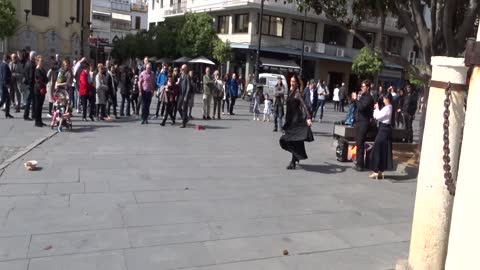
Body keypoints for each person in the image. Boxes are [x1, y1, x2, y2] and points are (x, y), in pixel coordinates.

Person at [279, 74, 313, 170]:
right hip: (289, 120)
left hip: (295, 120)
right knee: (287, 141)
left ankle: (293, 161)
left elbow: (304, 105)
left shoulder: (297, 93)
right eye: (291, 81)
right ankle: (296, 156)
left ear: (297, 83)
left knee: (291, 141)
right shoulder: (290, 92)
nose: (292, 83)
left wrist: (309, 117)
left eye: (294, 81)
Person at [369, 93, 394, 179]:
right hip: (384, 128)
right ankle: (380, 170)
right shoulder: (389, 108)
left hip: (383, 129)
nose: (383, 100)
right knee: (383, 150)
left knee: (377, 149)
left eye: (384, 99)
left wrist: (376, 108)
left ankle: (376, 170)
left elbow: (377, 117)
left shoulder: (388, 108)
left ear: (387, 99)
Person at [355, 80, 374, 171]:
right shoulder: (363, 96)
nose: (361, 88)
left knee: (360, 143)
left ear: (368, 87)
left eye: (363, 86)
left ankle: (360, 164)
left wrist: (356, 99)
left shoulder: (369, 98)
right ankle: (358, 161)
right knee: (358, 142)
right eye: (361, 86)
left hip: (364, 122)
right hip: (359, 121)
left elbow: (361, 107)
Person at [33, 55, 48, 127]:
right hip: (38, 89)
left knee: (40, 105)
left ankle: (40, 120)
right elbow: (40, 79)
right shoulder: (37, 69)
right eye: (41, 61)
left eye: (43, 61)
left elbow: (46, 79)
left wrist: (45, 81)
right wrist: (44, 81)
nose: (42, 62)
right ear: (37, 62)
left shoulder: (43, 69)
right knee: (37, 105)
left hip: (43, 89)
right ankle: (37, 121)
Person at [177, 64, 193, 128]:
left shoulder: (187, 76)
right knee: (178, 107)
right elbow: (180, 85)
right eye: (181, 68)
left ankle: (183, 123)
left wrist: (186, 96)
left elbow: (188, 87)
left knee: (184, 109)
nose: (182, 70)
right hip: (181, 94)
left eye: (183, 69)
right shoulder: (181, 76)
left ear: (186, 69)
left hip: (185, 95)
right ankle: (185, 118)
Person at [23, 51, 36, 121]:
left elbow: (25, 73)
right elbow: (31, 76)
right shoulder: (32, 64)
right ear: (33, 57)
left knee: (30, 100)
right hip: (32, 84)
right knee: (31, 100)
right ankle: (28, 115)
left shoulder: (27, 63)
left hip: (27, 84)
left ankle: (30, 115)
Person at [0, 54, 13, 118]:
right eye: (9, 59)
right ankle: (7, 113)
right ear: (7, 59)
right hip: (4, 85)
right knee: (3, 100)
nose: (9, 61)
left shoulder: (2, 64)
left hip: (2, 84)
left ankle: (7, 113)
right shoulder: (5, 65)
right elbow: (4, 76)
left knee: (7, 99)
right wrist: (7, 84)